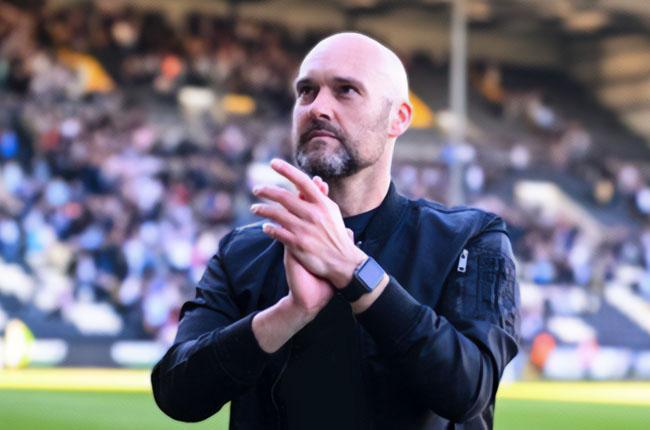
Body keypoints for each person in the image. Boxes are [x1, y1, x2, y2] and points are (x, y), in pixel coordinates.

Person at [151, 32, 520, 430]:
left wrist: (355, 272)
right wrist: (289, 313)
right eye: (306, 91)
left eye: (346, 90)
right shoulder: (243, 251)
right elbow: (177, 393)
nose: (318, 107)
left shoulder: (469, 238)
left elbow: (469, 390)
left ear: (398, 118)